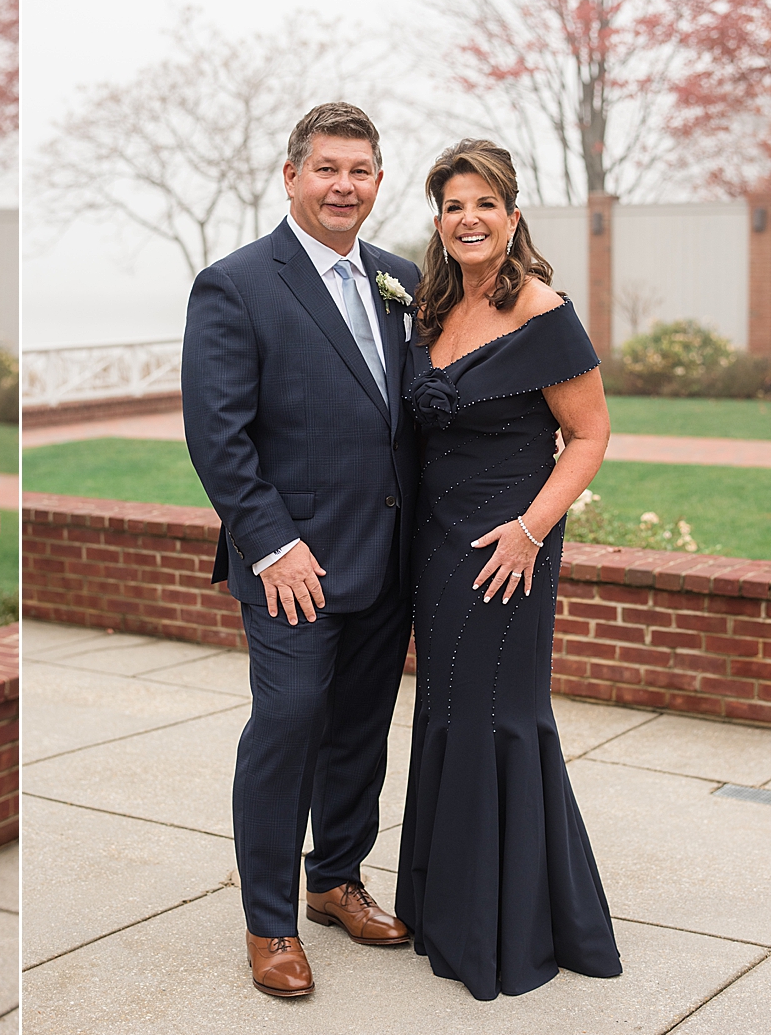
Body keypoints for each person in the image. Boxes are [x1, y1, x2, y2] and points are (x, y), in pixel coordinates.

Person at [181, 102, 420, 998]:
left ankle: (335, 880)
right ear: (292, 176)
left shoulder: (401, 279)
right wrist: (273, 544)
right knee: (285, 732)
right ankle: (270, 924)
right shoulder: (237, 284)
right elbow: (218, 436)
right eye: (327, 169)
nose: (343, 186)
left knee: (360, 733)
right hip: (293, 571)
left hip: (388, 558)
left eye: (359, 171)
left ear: (378, 182)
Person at [396, 139, 621, 999]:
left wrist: (531, 529)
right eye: (453, 206)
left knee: (500, 714)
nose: (468, 219)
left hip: (509, 547)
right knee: (449, 715)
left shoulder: (541, 308)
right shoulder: (430, 309)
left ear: (513, 215)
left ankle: (514, 923)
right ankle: (448, 906)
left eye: (484, 203)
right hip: (437, 550)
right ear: (441, 220)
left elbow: (591, 435)